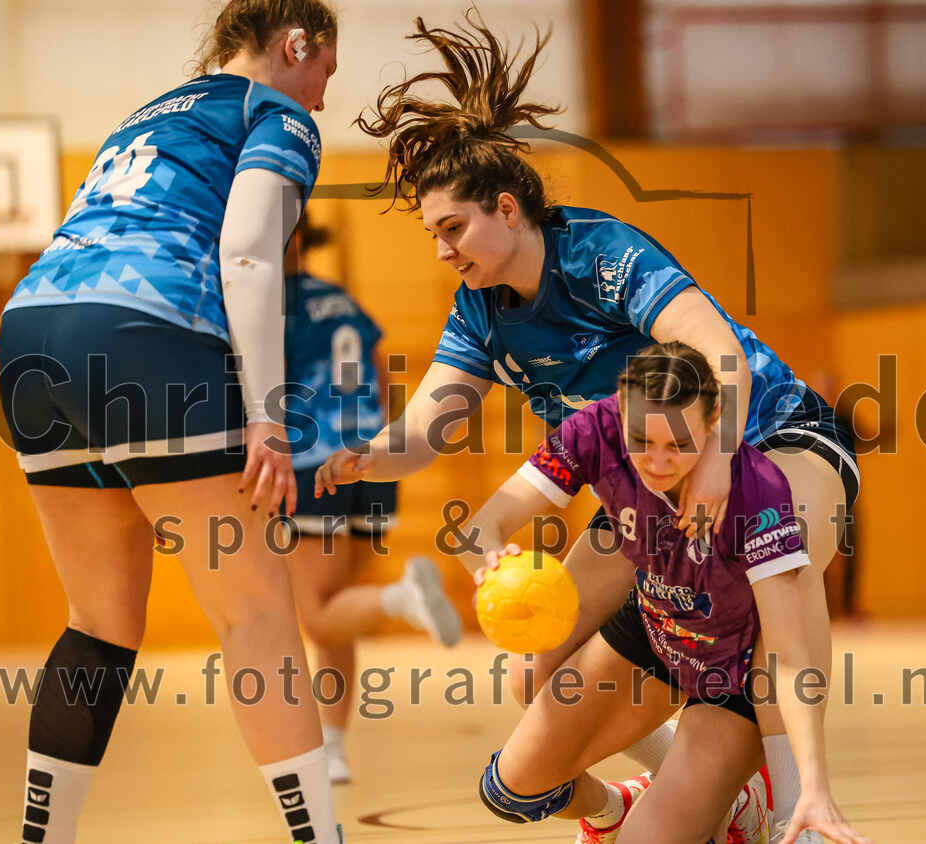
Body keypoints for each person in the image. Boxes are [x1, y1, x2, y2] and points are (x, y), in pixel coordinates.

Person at [315, 10, 860, 834]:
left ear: (507, 208)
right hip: (653, 489)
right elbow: (430, 425)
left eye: (452, 229)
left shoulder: (599, 257)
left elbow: (721, 355)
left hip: (769, 434)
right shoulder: (481, 315)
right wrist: (366, 455)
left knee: (776, 558)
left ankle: (801, 802)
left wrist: (716, 471)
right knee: (538, 667)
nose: (443, 251)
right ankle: (682, 787)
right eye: (431, 235)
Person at [0, 2, 344, 841]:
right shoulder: (273, 111)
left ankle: (45, 836)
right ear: (294, 44)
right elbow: (250, 251)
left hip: (28, 334)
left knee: (98, 622)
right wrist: (265, 416)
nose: (322, 99)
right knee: (256, 615)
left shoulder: (141, 116)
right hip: (144, 331)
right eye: (324, 72)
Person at [470, 342, 873, 844]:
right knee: (511, 790)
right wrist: (488, 566)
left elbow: (790, 655)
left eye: (678, 444)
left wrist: (810, 789)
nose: (658, 462)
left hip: (736, 679)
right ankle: (623, 807)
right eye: (642, 440)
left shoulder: (761, 492)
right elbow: (481, 526)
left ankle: (736, 797)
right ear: (619, 414)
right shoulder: (593, 432)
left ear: (714, 426)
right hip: (660, 634)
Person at [282, 212, 462, 782]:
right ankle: (332, 748)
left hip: (314, 465)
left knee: (320, 617)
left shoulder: (266, 305)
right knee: (339, 612)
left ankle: (402, 599)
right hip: (371, 460)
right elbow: (383, 379)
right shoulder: (340, 299)